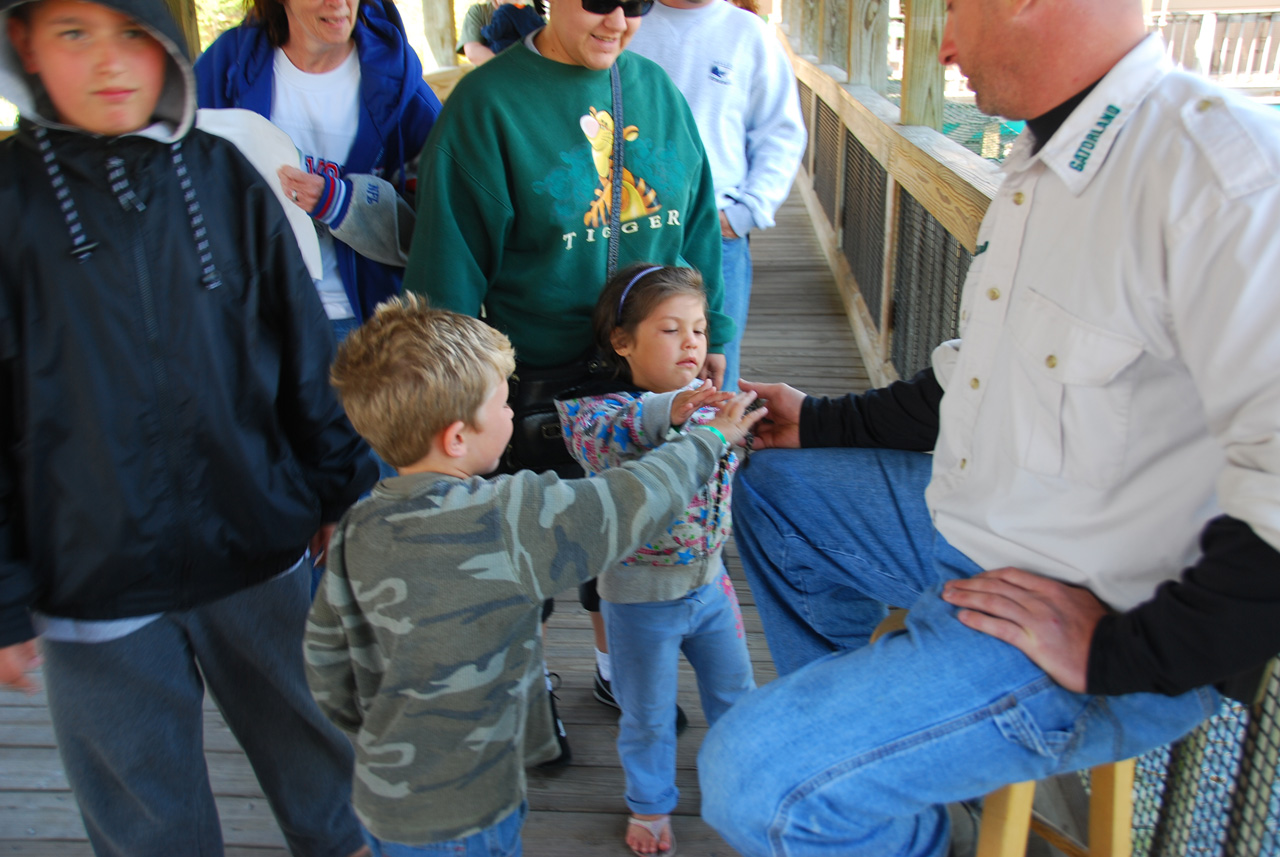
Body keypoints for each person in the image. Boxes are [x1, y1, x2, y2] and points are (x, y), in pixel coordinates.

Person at [695, 0, 1280, 854]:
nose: (949, 44)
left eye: (953, 10)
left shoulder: (1221, 178)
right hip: (970, 531)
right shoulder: (1048, 153)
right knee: (776, 485)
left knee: (754, 779)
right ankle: (885, 779)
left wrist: (1122, 653)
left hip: (1095, 612)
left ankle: (867, 795)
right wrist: (819, 420)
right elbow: (978, 374)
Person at [0, 0, 379, 853]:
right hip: (90, 588)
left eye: (134, 34)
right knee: (146, 816)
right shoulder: (8, 205)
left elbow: (301, 346)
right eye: (73, 34)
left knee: (325, 763)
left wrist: (337, 488)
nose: (109, 62)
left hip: (259, 543)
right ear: (22, 43)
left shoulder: (222, 174)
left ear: (170, 44)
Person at [304, 295, 765, 856]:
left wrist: (376, 734)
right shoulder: (507, 517)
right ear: (456, 437)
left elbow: (329, 667)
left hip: (385, 796)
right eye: (503, 405)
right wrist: (709, 438)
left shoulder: (358, 527)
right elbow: (625, 501)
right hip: (473, 803)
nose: (513, 416)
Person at [404, 0, 732, 763]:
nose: (618, 18)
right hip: (536, 383)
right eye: (598, 0)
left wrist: (710, 325)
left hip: (644, 380)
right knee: (525, 546)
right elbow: (446, 265)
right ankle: (526, 686)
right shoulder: (487, 106)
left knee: (629, 532)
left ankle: (619, 667)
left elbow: (699, 221)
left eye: (638, 3)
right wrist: (453, 397)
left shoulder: (655, 91)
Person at [555, 264, 757, 856]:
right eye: (671, 330)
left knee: (736, 695)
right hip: (639, 600)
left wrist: (744, 424)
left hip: (712, 587)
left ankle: (744, 781)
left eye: (698, 329)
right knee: (646, 714)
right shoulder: (602, 413)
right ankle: (650, 805)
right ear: (623, 342)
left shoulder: (711, 408)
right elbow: (595, 436)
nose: (692, 342)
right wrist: (669, 409)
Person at [195, 0, 442, 340]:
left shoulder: (404, 92)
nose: (339, 4)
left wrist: (341, 203)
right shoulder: (227, 66)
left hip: (364, 323)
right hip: (255, 317)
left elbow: (439, 231)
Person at [627, 0, 805, 393]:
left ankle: (713, 453)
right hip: (631, 229)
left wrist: (746, 211)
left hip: (718, 235)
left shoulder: (750, 32)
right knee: (628, 363)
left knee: (712, 370)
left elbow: (781, 131)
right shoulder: (624, 23)